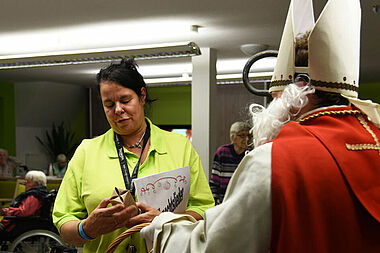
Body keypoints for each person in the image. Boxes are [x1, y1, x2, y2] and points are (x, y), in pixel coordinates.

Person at [139, 0, 380, 252]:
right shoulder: (374, 139)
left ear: (298, 93)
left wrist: (162, 226)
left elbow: (214, 247)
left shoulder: (273, 160)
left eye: (275, 97)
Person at [52, 58, 214, 253]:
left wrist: (165, 221)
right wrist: (86, 229)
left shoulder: (180, 147)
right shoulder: (87, 152)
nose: (118, 110)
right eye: (109, 104)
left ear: (142, 96)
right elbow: (64, 225)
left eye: (125, 100)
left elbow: (203, 212)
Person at [209, 121, 251, 204]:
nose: (246, 139)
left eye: (248, 135)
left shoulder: (250, 153)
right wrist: (215, 205)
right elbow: (214, 182)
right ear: (233, 138)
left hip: (243, 203)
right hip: (224, 202)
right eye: (242, 135)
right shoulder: (222, 152)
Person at [0, 170, 48, 240]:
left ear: (38, 184)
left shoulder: (34, 196)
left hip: (18, 225)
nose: (25, 184)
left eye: (28, 182)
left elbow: (24, 212)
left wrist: (9, 211)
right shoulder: (38, 193)